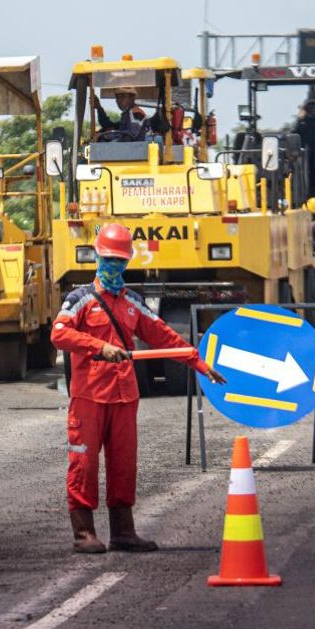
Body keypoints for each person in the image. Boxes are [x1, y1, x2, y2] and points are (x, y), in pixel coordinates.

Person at [51, 223, 227, 554]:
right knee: (83, 463)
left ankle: (123, 531)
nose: (113, 266)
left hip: (124, 396)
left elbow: (165, 337)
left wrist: (199, 363)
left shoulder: (133, 302)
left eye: (119, 261)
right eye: (108, 260)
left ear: (128, 261)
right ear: (97, 258)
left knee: (123, 463)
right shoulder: (79, 300)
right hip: (89, 396)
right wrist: (98, 347)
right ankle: (83, 533)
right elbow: (59, 334)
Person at [292, 97, 315, 197]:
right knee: (304, 174)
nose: (313, 109)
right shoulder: (300, 122)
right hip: (304, 153)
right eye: (311, 107)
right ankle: (305, 195)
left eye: (314, 107)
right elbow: (293, 134)